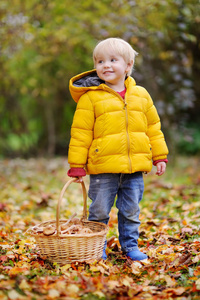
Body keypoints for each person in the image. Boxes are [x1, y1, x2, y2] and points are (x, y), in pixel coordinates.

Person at [67, 37, 168, 261]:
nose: (106, 65)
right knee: (100, 211)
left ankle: (130, 246)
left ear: (128, 66)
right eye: (100, 61)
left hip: (134, 169)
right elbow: (81, 132)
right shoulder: (90, 98)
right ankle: (97, 248)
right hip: (104, 167)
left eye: (113, 60)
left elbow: (153, 127)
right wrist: (76, 164)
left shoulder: (141, 95)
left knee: (131, 211)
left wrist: (160, 155)